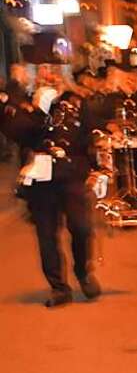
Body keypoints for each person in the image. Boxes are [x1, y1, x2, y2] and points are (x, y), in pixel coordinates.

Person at [16, 85, 100, 307]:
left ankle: (83, 271)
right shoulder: (30, 117)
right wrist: (38, 111)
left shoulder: (74, 109)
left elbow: (88, 139)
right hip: (42, 184)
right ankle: (58, 287)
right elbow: (19, 133)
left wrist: (98, 170)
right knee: (47, 235)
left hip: (71, 178)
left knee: (81, 227)